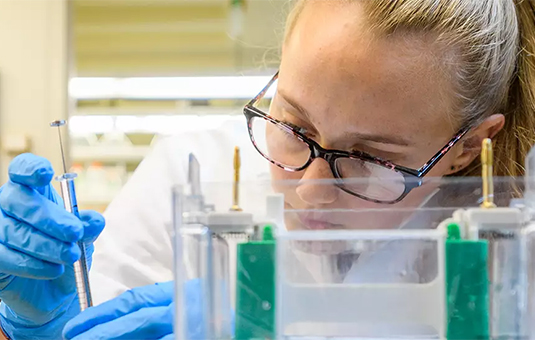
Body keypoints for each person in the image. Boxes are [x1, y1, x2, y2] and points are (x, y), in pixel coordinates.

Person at [2, 0, 535, 338]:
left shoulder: (517, 247)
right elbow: (93, 319)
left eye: (372, 159)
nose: (310, 190)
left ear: (469, 147)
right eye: (294, 124)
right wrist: (43, 325)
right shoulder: (188, 171)